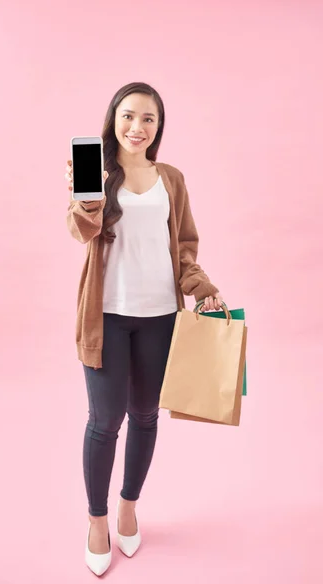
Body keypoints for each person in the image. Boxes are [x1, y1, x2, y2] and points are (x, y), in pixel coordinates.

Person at [65, 82, 224, 576]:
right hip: (107, 316)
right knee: (104, 420)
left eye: (149, 119)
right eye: (129, 116)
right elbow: (80, 231)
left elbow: (184, 249)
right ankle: (97, 519)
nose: (137, 127)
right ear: (113, 119)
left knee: (146, 416)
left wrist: (201, 286)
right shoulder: (100, 175)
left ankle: (129, 505)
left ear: (159, 127)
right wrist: (84, 197)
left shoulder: (171, 179)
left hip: (160, 317)